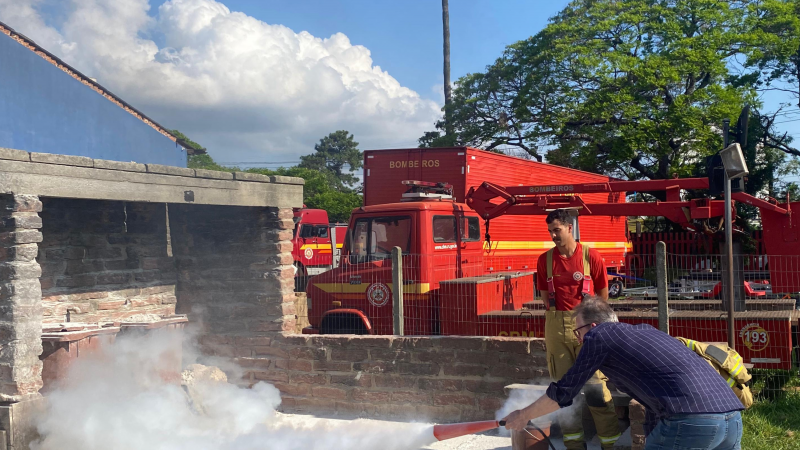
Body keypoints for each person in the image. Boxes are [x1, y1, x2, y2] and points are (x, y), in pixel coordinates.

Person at [503, 296, 744, 450]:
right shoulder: (646, 332)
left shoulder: (600, 336)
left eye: (578, 333)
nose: (578, 340)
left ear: (593, 326)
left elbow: (564, 392)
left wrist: (524, 415)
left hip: (689, 422)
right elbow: (652, 400)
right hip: (731, 419)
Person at [536, 209, 620, 449]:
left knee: (596, 390)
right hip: (556, 327)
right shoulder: (545, 260)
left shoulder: (590, 256)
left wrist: (589, 319)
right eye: (550, 231)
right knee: (564, 393)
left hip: (587, 328)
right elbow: (544, 297)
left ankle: (610, 445)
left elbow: (603, 295)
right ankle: (575, 446)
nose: (553, 235)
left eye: (557, 230)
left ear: (569, 228)